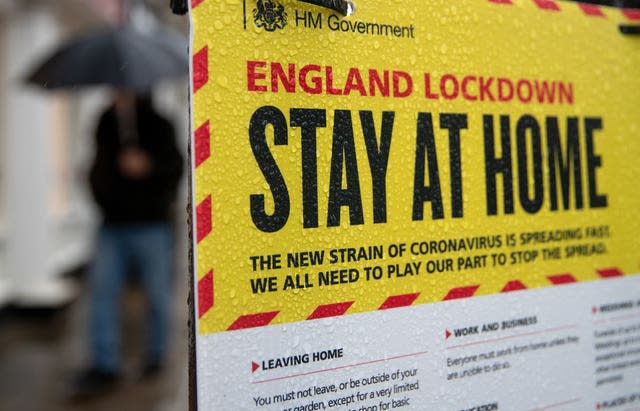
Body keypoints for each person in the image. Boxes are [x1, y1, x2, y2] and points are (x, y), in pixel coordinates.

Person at [74, 91, 183, 397]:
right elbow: (98, 168)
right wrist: (104, 193)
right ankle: (104, 364)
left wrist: (148, 167)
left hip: (152, 225)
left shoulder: (159, 124)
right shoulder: (105, 123)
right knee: (102, 293)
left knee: (158, 294)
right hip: (112, 225)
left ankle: (156, 355)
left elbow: (175, 169)